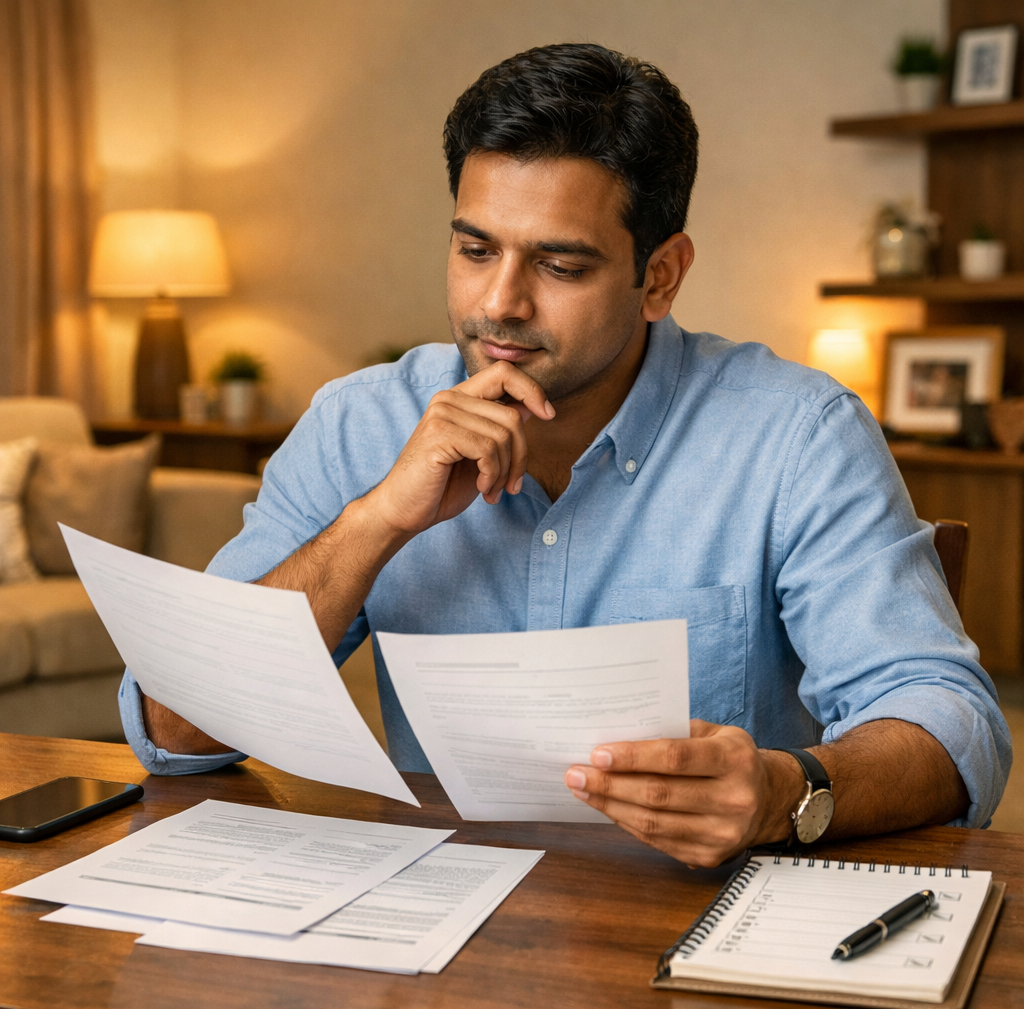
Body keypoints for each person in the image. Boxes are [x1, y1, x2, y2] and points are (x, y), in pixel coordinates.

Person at [121, 43, 1011, 868]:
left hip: (704, 923)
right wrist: (377, 520)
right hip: (436, 931)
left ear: (659, 275)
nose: (499, 303)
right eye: (475, 250)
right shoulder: (359, 423)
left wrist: (786, 792)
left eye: (560, 266)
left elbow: (952, 724)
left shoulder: (797, 434)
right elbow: (172, 728)